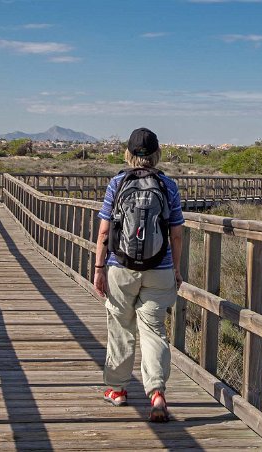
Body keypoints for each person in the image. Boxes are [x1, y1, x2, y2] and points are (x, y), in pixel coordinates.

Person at [93, 127, 184, 422]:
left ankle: (117, 389)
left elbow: (105, 231)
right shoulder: (168, 185)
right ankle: (156, 392)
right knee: (153, 329)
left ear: (129, 154)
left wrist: (98, 268)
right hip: (160, 269)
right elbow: (177, 234)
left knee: (121, 326)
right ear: (157, 153)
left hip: (121, 267)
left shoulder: (117, 183)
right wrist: (177, 269)